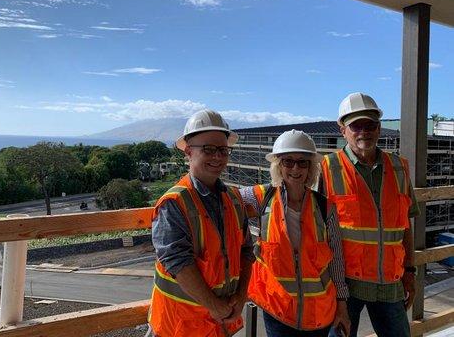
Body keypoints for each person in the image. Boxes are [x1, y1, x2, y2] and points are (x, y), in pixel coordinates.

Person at [319, 92, 419, 337]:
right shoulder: (326, 169)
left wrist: (410, 271)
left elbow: (405, 226)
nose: (365, 131)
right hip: (345, 286)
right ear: (343, 130)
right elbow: (316, 230)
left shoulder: (399, 168)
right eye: (357, 125)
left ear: (379, 128)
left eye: (371, 125)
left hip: (390, 283)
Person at [147, 109, 254, 337]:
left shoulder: (234, 199)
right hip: (180, 326)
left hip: (220, 324)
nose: (218, 157)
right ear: (188, 152)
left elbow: (246, 251)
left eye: (223, 150)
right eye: (208, 149)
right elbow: (177, 262)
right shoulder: (174, 203)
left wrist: (241, 296)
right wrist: (215, 306)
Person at [240, 130, 351, 337]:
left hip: (320, 313)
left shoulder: (325, 207)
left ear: (311, 167)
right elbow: (221, 199)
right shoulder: (260, 199)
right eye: (288, 161)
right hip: (279, 312)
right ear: (278, 165)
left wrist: (342, 305)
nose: (295, 168)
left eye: (302, 162)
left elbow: (336, 261)